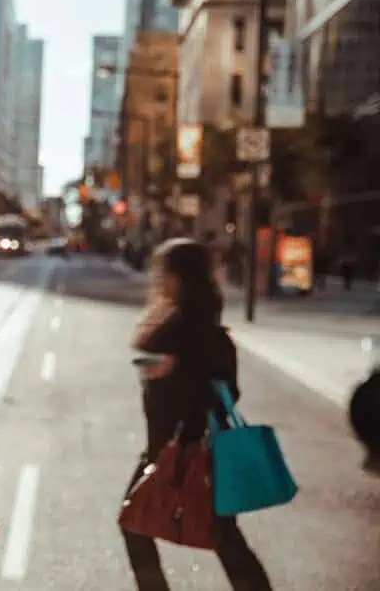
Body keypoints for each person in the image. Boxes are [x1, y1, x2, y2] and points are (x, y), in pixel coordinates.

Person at [124, 239, 273, 591]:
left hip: (183, 450)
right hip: (189, 449)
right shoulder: (197, 324)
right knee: (223, 537)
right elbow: (228, 388)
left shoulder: (189, 329)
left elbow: (218, 392)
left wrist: (172, 373)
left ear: (180, 277)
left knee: (136, 522)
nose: (159, 279)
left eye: (164, 272)